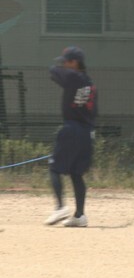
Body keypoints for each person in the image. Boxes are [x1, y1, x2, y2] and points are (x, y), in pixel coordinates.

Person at [43, 46, 97, 227]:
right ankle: (80, 215)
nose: (64, 65)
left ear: (74, 63)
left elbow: (53, 72)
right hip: (87, 131)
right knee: (76, 173)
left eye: (66, 61)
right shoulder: (90, 83)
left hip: (71, 128)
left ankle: (60, 207)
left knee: (54, 168)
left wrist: (58, 66)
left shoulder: (73, 76)